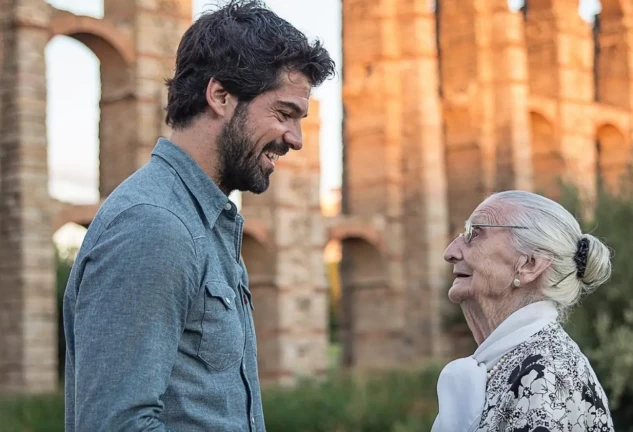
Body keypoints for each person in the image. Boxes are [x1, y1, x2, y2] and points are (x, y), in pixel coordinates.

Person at [62, 1, 335, 431]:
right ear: (221, 95)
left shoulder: (201, 222)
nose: (295, 139)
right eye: (284, 114)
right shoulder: (154, 226)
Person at [432, 190, 614, 432]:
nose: (450, 253)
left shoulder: (546, 374)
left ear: (530, 264)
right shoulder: (518, 361)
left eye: (474, 234)